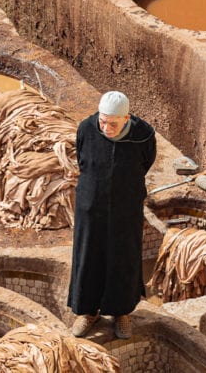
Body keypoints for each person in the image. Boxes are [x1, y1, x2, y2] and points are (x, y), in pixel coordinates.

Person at [68, 91, 157, 340]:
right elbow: (82, 160)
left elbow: (145, 163)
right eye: (103, 121)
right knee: (88, 255)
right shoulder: (86, 128)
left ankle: (121, 313)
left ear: (126, 118)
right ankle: (87, 311)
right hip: (91, 205)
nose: (106, 127)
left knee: (123, 257)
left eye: (113, 124)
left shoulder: (144, 136)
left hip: (126, 207)